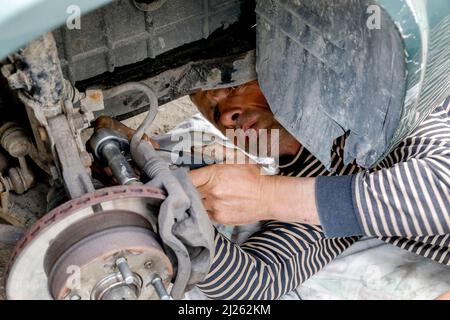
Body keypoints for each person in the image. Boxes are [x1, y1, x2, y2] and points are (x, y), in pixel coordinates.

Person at [187, 80, 450, 299]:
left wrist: (265, 194)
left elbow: (443, 186)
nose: (227, 116)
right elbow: (256, 281)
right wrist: (181, 228)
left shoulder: (381, 95)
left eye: (233, 87)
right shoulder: (302, 185)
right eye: (215, 114)